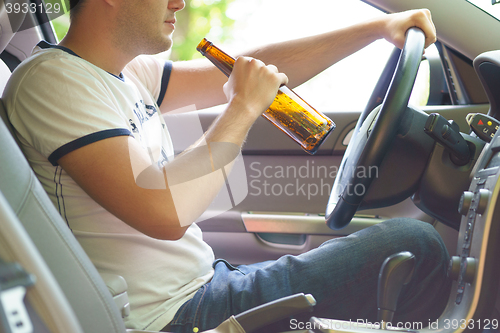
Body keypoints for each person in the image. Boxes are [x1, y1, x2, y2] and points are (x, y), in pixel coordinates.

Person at [3, 0, 451, 332]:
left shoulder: (126, 72)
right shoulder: (52, 81)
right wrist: (241, 108)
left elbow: (251, 71)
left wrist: (376, 28)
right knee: (413, 245)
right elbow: (163, 213)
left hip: (208, 285)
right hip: (172, 318)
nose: (179, 2)